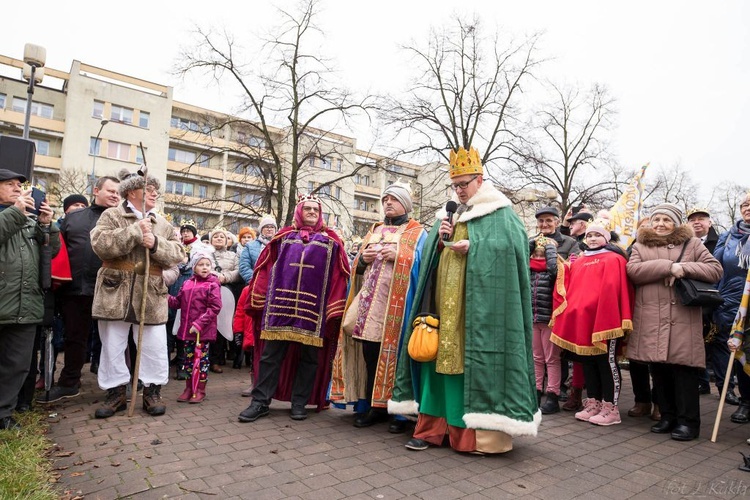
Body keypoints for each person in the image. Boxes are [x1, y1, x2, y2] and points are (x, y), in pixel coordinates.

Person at [389, 147, 539, 454]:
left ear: (480, 180)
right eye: (455, 185)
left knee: (468, 367)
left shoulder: (501, 213)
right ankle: (431, 429)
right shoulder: (449, 213)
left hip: (477, 314)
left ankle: (472, 437)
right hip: (441, 309)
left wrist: (476, 246)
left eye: (465, 184)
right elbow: (429, 257)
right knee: (436, 364)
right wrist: (440, 240)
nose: (459, 190)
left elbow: (515, 249)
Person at [238, 194, 350, 422]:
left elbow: (339, 277)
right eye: (307, 209)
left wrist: (333, 308)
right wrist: (258, 297)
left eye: (315, 210)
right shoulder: (282, 238)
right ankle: (260, 402)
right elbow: (265, 268)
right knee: (270, 357)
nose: (311, 212)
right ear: (298, 212)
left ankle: (300, 402)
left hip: (313, 312)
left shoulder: (332, 242)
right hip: (279, 309)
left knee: (309, 359)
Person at [330, 181, 427, 433]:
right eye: (385, 199)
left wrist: (402, 257)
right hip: (370, 307)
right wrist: (363, 259)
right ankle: (374, 406)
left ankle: (400, 411)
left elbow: (426, 265)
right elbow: (357, 268)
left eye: (393, 199)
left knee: (399, 357)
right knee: (371, 355)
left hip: (399, 307)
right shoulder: (374, 230)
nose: (388, 203)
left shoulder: (417, 232)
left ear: (405, 203)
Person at [90, 168, 185, 419]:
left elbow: (178, 254)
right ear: (132, 192)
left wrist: (155, 243)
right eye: (149, 189)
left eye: (156, 189)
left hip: (150, 292)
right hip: (115, 289)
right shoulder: (112, 215)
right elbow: (100, 245)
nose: (155, 193)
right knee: (112, 344)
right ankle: (116, 393)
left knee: (154, 345)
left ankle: (152, 392)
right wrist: (134, 232)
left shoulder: (162, 223)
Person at [627, 203, 722, 441]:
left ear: (676, 223)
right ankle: (668, 416)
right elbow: (633, 271)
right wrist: (668, 267)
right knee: (658, 369)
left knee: (684, 371)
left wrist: (683, 268)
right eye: (656, 219)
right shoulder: (640, 244)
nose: (660, 224)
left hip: (683, 318)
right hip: (651, 318)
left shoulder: (692, 244)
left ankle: (688, 422)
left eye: (666, 220)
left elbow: (715, 270)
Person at [38, 177, 121, 404]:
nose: (115, 195)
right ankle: (69, 383)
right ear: (96, 190)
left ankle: (118, 386)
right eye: (111, 190)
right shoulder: (72, 218)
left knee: (114, 340)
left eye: (118, 192)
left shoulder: (123, 219)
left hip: (111, 289)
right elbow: (57, 250)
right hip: (74, 289)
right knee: (75, 338)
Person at [550, 221, 634, 426]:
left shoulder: (615, 259)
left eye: (597, 235)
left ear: (607, 238)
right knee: (588, 363)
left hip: (606, 320)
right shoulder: (579, 260)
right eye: (589, 235)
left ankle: (611, 408)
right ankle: (594, 403)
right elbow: (570, 282)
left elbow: (614, 289)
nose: (593, 239)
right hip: (583, 320)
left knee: (607, 363)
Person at [0, 168, 60, 430]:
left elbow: (51, 252)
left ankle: (3, 414)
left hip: (26, 305)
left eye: (19, 185)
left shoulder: (27, 219)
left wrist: (48, 226)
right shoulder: (15, 215)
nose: (18, 188)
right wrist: (16, 211)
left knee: (17, 365)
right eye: (10, 184)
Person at [687, 207, 732, 399]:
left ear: (709, 222)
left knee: (719, 345)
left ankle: (726, 390)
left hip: (715, 300)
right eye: (693, 219)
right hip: (691, 299)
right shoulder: (683, 243)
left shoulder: (722, 242)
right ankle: (701, 382)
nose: (697, 222)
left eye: (701, 219)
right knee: (694, 345)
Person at [168, 251, 221, 403]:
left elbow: (215, 307)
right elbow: (178, 302)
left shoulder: (212, 284)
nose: (205, 268)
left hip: (201, 332)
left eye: (208, 265)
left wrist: (199, 324)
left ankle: (200, 389)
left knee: (201, 361)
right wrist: (165, 297)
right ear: (194, 267)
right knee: (188, 360)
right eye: (201, 264)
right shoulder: (187, 283)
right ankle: (188, 388)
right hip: (187, 331)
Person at [715, 193, 750, 423]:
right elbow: (715, 267)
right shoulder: (728, 236)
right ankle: (746, 401)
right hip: (732, 304)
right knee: (739, 352)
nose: (748, 207)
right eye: (745, 204)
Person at [528, 235, 563, 414]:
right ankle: (536, 392)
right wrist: (531, 244)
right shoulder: (529, 270)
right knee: (536, 358)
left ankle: (553, 395)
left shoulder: (552, 271)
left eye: (543, 255)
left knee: (552, 359)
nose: (539, 258)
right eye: (537, 254)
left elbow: (553, 269)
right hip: (533, 319)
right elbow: (521, 259)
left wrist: (550, 248)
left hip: (549, 320)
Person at [206, 227, 241, 373]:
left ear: (227, 241)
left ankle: (216, 359)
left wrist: (225, 277)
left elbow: (239, 271)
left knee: (222, 325)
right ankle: (203, 358)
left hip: (226, 291)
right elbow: (199, 266)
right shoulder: (205, 253)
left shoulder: (233, 256)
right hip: (207, 291)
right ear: (211, 239)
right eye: (216, 236)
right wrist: (214, 276)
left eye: (222, 237)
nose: (219, 238)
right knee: (207, 324)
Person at [239, 215, 277, 284]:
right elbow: (244, 266)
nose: (269, 229)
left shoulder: (281, 244)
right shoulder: (250, 246)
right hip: (255, 283)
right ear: (261, 229)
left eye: (272, 227)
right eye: (266, 227)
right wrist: (254, 280)